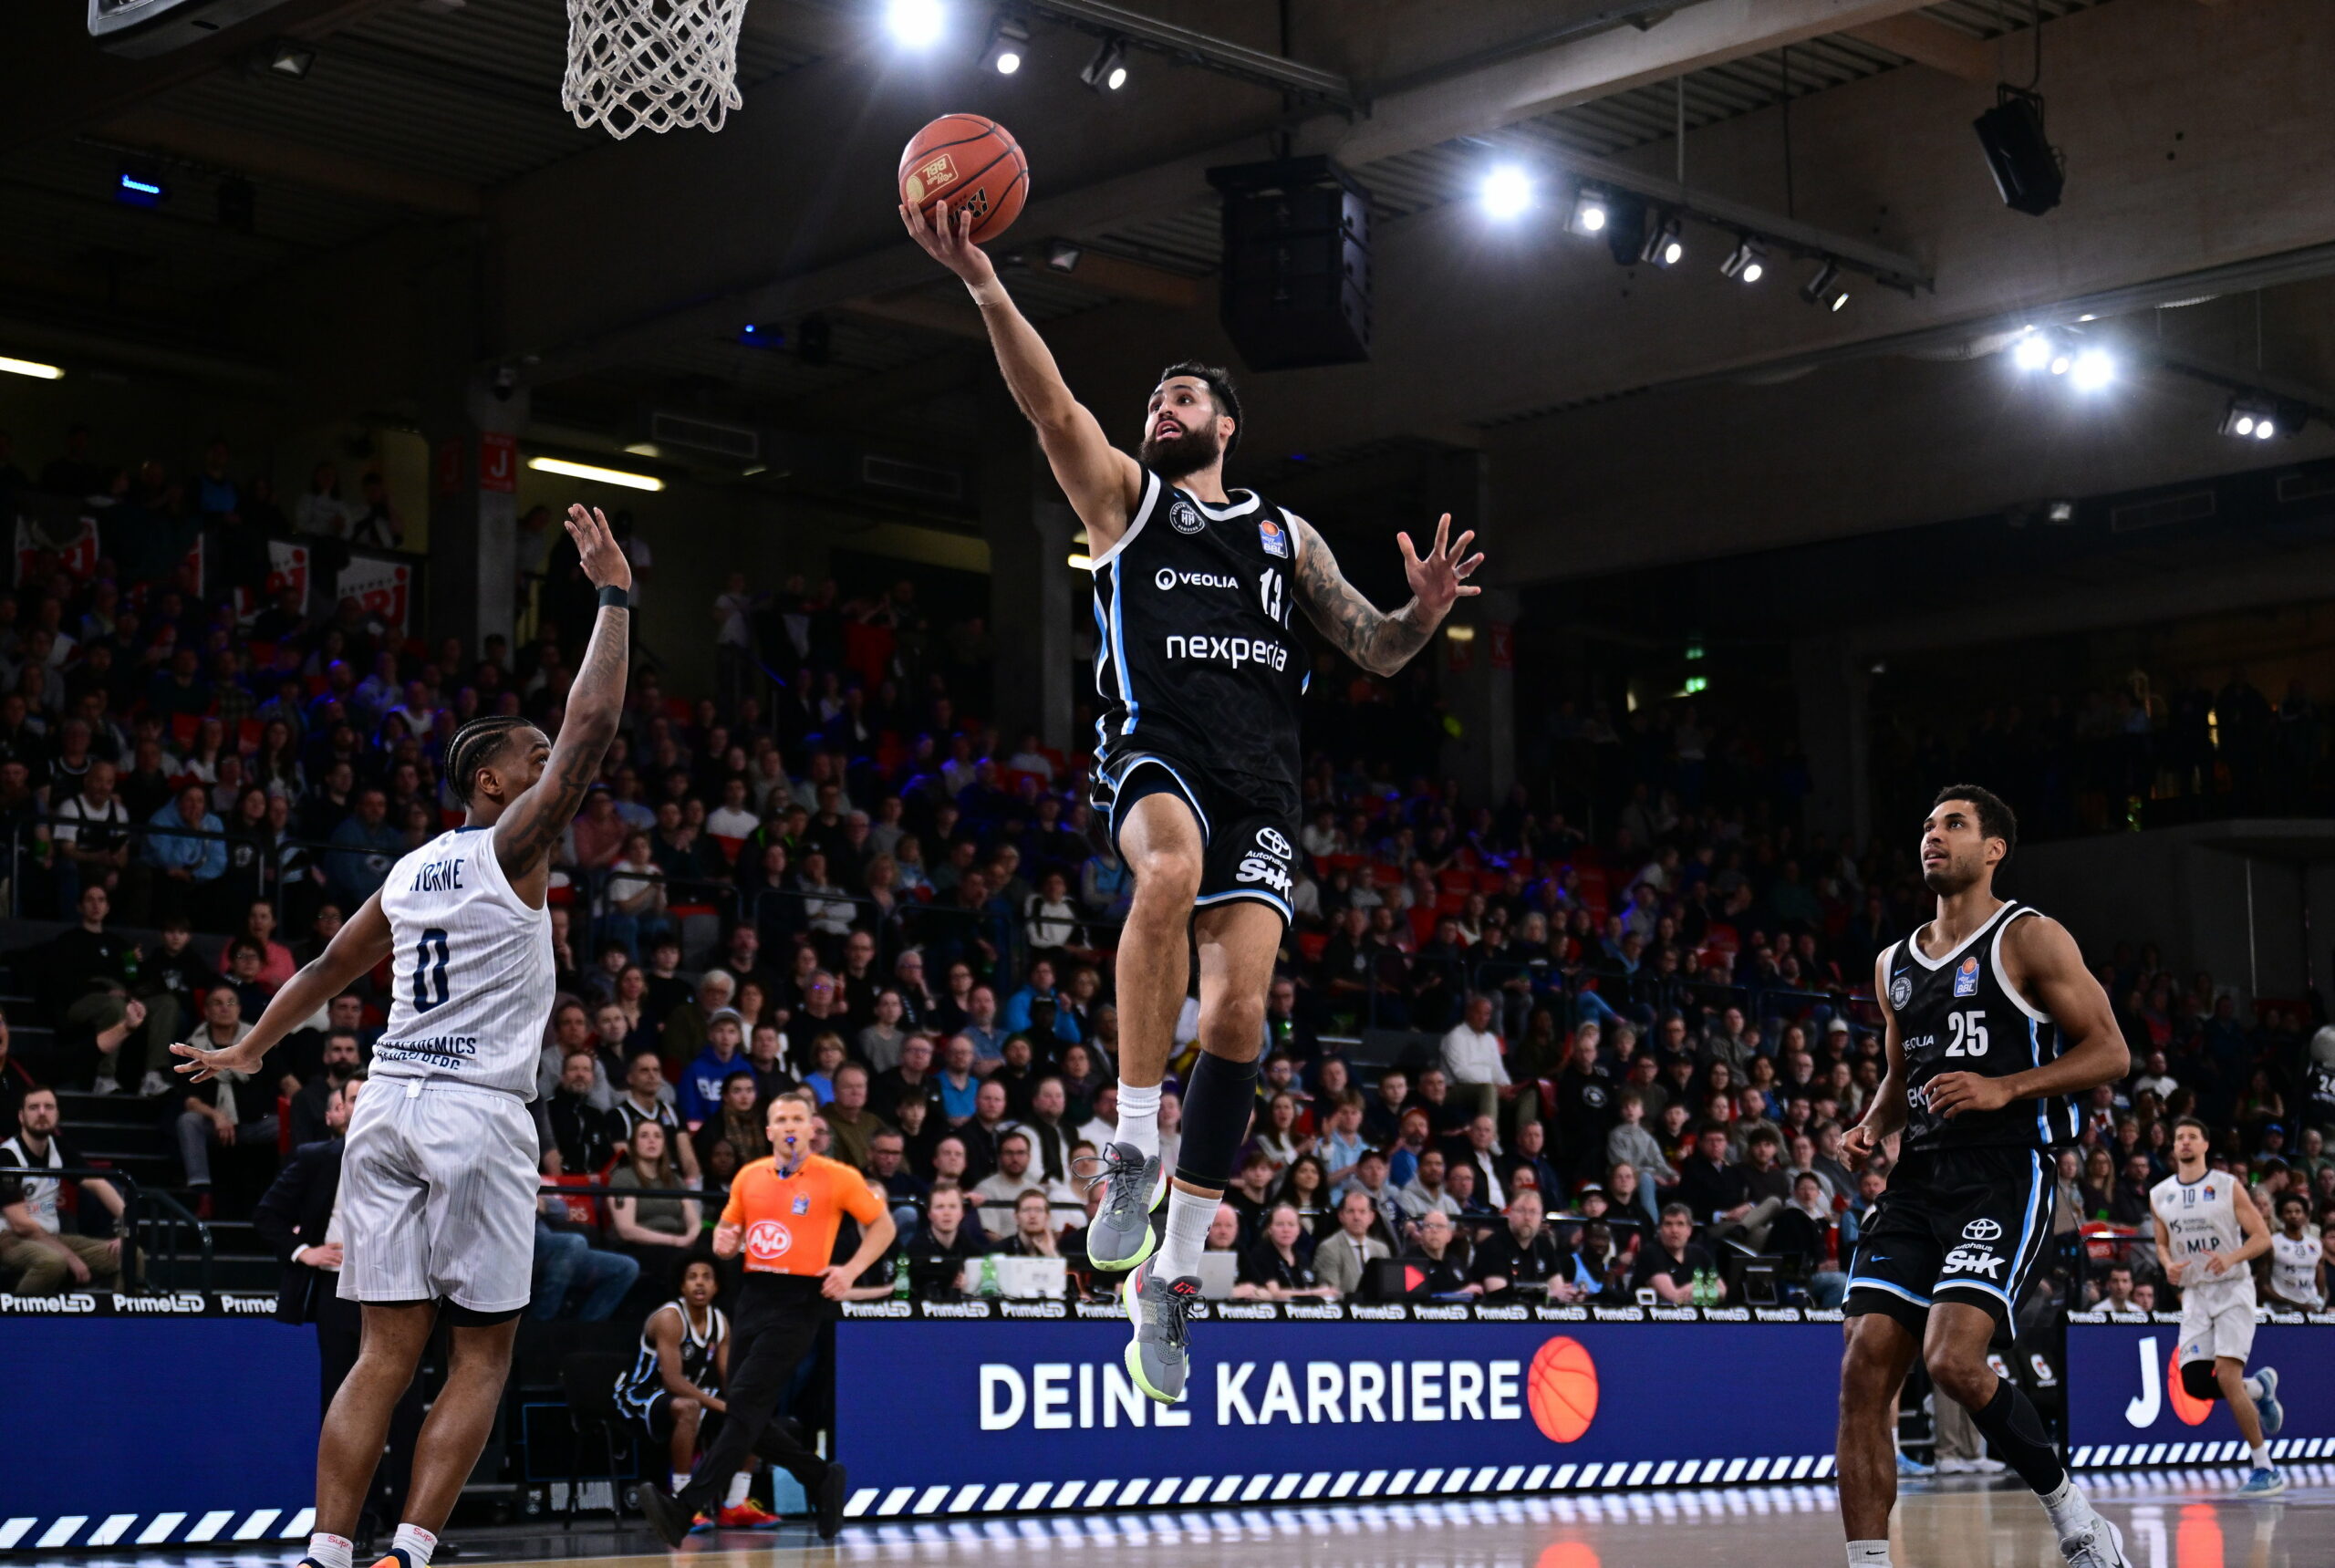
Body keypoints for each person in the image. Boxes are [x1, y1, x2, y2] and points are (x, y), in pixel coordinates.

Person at [903, 199, 1485, 1404]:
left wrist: (1423, 615)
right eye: (1154, 400)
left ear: (1228, 423)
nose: (1159, 410)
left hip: (1264, 788)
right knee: (1161, 874)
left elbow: (1372, 648)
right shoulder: (1125, 504)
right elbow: (1048, 402)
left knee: (1240, 1018)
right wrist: (983, 287)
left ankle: (1164, 1279)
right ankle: (1126, 1142)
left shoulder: (1283, 534)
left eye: (1182, 400)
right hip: (1157, 754)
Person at [171, 504, 633, 1568]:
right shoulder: (510, 845)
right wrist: (612, 598)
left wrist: (252, 1050)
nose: (544, 765)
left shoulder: (408, 867)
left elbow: (332, 968)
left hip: (383, 1107)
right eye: (528, 758)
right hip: (474, 1113)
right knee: (481, 1355)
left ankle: (328, 1551)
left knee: (382, 1353)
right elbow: (594, 734)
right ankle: (409, 1552)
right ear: (491, 784)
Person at [1837, 787, 2138, 1568]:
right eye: (1928, 825)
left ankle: (2076, 1517)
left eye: (1953, 825)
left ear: (1993, 848)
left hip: (2008, 1173)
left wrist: (2007, 1085)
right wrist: (1874, 1123)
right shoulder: (1893, 964)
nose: (1933, 837)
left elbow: (2110, 1051)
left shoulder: (2029, 937)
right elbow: (1904, 1077)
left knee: (1952, 1360)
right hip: (1919, 1180)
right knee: (1864, 1363)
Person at [633, 1094, 890, 1543]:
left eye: (798, 1118)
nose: (790, 1125)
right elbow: (726, 1236)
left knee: (745, 1404)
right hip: (752, 1295)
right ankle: (820, 1476)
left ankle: (684, 1508)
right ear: (768, 1131)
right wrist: (725, 1246)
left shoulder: (838, 1176)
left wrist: (849, 1270)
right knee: (745, 1411)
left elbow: (884, 1225)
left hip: (799, 1299)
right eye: (781, 1119)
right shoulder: (749, 1175)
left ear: (811, 1128)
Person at [253, 1075, 425, 1540]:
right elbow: (266, 1215)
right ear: (334, 1115)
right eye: (352, 1098)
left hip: (400, 1290)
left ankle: (413, 1527)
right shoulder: (317, 1159)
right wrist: (304, 1251)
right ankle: (356, 1525)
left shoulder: (409, 1153)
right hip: (339, 1292)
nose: (363, 1102)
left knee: (408, 1411)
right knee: (347, 1405)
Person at [2150, 1116, 2285, 1495]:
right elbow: (2162, 1242)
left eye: (2193, 1136)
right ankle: (2258, 1388)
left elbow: (2262, 1238)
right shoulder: (2160, 1194)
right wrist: (2167, 1265)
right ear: (2173, 1147)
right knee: (2194, 1383)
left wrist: (2231, 1257)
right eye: (2179, 1138)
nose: (2185, 1142)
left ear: (2206, 1145)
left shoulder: (2227, 1186)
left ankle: (2265, 1468)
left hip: (2231, 1289)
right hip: (2195, 1294)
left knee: (2226, 1375)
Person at [615, 1258, 780, 1530]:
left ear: (717, 1286)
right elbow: (673, 1381)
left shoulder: (720, 1322)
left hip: (688, 1395)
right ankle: (682, 1502)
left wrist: (744, 1403)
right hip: (638, 1395)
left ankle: (736, 1503)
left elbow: (729, 1378)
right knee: (688, 1407)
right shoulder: (669, 1318)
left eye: (707, 1277)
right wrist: (721, 1406)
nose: (700, 1282)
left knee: (752, 1411)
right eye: (692, 1276)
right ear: (682, 1285)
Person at [0, 1085, 128, 1289]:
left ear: (57, 1114)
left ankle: (123, 1321)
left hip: (51, 1237)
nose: (42, 1113)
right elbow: (21, 1226)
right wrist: (69, 1256)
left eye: (48, 1107)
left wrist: (125, 1230)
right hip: (9, 1239)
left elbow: (98, 1184)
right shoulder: (7, 1155)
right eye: (34, 1107)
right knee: (52, 1262)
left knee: (129, 1255)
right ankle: (15, 1320)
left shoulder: (58, 1147)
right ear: (21, 1117)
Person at [1631, 1202, 1719, 1304]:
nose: (1674, 1230)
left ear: (1689, 1230)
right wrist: (1702, 1288)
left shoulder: (1699, 1253)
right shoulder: (1651, 1252)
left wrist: (1696, 1289)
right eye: (1668, 1224)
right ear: (1660, 1229)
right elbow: (1674, 1296)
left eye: (1680, 1224)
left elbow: (1722, 1291)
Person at [1313, 1187, 1392, 1299]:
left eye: (1362, 1212)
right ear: (1341, 1216)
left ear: (1371, 1217)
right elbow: (1330, 1293)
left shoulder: (1381, 1249)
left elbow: (1387, 1289)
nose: (1356, 1217)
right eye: (1351, 1211)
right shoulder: (1329, 1248)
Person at [2263, 1191, 2325, 1311]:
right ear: (2281, 1216)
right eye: (2288, 1212)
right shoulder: (2272, 1243)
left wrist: (2319, 1300)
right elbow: (2263, 1285)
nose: (2294, 1215)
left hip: (2311, 1307)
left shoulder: (2315, 1244)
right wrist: (2295, 1304)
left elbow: (2320, 1276)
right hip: (2282, 1310)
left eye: (2298, 1211)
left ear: (2306, 1215)